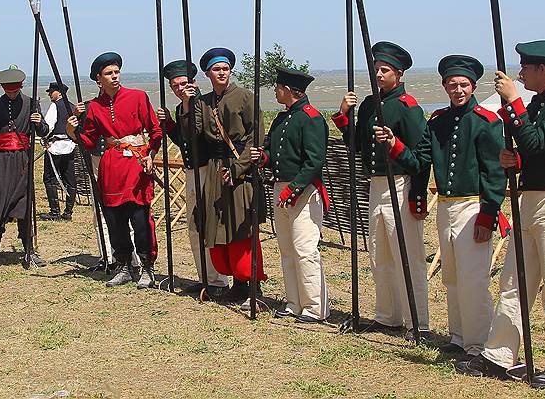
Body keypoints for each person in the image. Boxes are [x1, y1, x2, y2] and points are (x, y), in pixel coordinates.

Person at [456, 41, 545, 389]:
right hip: (531, 201)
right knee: (514, 283)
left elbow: (537, 142)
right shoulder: (540, 104)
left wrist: (513, 102)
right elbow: (536, 153)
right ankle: (499, 354)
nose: (520, 75)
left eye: (527, 69)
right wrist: (515, 159)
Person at [375, 55, 507, 357]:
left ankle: (478, 343)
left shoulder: (486, 122)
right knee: (451, 276)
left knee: (473, 279)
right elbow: (419, 160)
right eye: (452, 85)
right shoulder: (437, 123)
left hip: (473, 205)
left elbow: (494, 173)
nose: (457, 90)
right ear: (445, 87)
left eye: (463, 85)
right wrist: (394, 144)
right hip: (446, 207)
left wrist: (488, 214)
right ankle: (459, 336)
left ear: (473, 86)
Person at [331, 41, 431, 340]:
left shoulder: (407, 107)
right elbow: (359, 146)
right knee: (379, 254)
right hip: (375, 184)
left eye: (384, 70)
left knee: (407, 256)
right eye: (375, 69)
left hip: (400, 184)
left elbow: (421, 158)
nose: (378, 75)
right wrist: (344, 116)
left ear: (399, 74)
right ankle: (388, 316)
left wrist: (395, 148)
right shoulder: (368, 105)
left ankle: (418, 323)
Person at [179, 47, 267, 308]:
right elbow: (191, 135)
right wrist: (187, 104)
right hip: (216, 170)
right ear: (207, 73)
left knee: (241, 225)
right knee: (218, 224)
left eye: (225, 69)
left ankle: (250, 284)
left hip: (240, 169)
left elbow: (256, 137)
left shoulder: (245, 97)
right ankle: (235, 284)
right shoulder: (203, 102)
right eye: (216, 69)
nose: (221, 73)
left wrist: (239, 168)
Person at [67, 52, 162, 289]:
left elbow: (155, 130)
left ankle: (148, 267)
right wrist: (71, 130)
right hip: (111, 165)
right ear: (98, 79)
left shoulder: (138, 97)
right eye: (109, 73)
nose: (114, 76)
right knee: (115, 218)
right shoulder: (94, 107)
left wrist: (151, 155)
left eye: (117, 72)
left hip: (137, 165)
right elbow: (88, 141)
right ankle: (124, 266)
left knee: (140, 218)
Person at [251, 67, 330, 323]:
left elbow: (314, 162)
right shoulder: (281, 119)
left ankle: (315, 307)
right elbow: (273, 153)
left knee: (305, 249)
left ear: (287, 89)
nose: (275, 90)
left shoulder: (311, 118)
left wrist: (293, 189)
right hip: (281, 189)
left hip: (304, 192)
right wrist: (262, 157)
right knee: (287, 249)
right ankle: (294, 302)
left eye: (277, 87)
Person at [158, 59, 229, 295]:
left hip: (208, 169)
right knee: (194, 226)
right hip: (191, 170)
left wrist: (189, 107)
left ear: (194, 83)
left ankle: (218, 279)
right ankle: (205, 277)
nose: (180, 89)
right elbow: (183, 140)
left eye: (183, 84)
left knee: (209, 224)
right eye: (175, 86)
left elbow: (199, 136)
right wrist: (169, 123)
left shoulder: (203, 105)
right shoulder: (183, 108)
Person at [0, 68, 48, 268]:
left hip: (21, 161)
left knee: (24, 204)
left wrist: (39, 123)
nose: (11, 94)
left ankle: (28, 250)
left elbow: (44, 131)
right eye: (8, 90)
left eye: (14, 90)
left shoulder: (31, 104)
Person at [40, 82, 77, 221]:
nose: (49, 94)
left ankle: (55, 212)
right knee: (70, 180)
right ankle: (68, 212)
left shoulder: (55, 106)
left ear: (59, 92)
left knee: (49, 179)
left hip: (55, 148)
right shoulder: (72, 107)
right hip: (69, 146)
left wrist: (43, 136)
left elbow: (48, 127)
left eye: (51, 91)